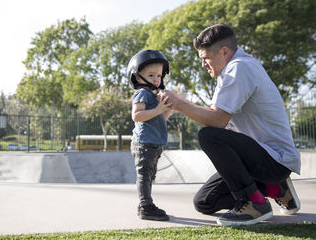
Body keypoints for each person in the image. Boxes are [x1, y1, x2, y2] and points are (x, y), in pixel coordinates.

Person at [158, 23, 301, 226]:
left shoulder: (239, 68)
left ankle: (254, 203)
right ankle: (276, 189)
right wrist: (180, 104)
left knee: (208, 136)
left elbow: (217, 121)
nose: (203, 64)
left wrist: (180, 104)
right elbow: (215, 115)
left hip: (274, 160)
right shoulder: (229, 71)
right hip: (257, 157)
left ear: (224, 52)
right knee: (204, 202)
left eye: (205, 58)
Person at [127, 49, 173, 221]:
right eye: (152, 75)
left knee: (149, 176)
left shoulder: (154, 95)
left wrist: (167, 109)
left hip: (154, 143)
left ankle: (146, 204)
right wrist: (158, 109)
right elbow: (137, 116)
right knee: (144, 176)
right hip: (143, 143)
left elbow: (160, 118)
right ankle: (146, 206)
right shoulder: (142, 93)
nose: (156, 79)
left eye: (159, 76)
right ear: (138, 77)